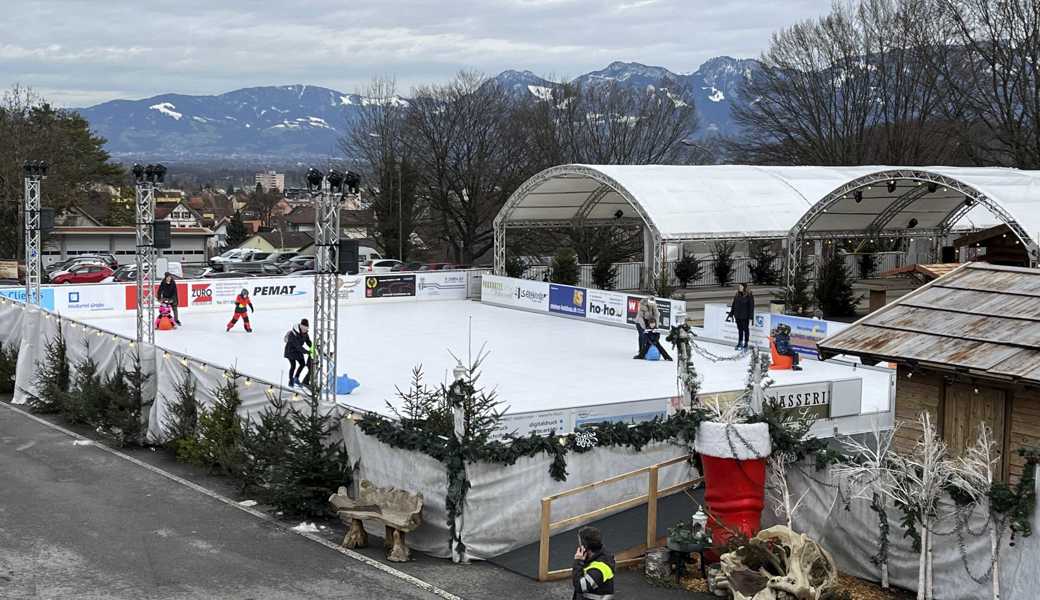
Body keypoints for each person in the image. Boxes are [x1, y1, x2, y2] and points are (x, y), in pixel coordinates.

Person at [572, 526, 615, 600]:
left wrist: (578, 562)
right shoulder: (600, 554)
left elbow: (580, 587)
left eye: (580, 543)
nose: (579, 546)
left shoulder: (598, 569)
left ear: (585, 547)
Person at [283, 318, 312, 388]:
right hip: (290, 350)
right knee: (293, 365)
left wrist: (312, 346)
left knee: (302, 364)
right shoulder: (293, 334)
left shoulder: (305, 333)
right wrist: (307, 352)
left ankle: (296, 378)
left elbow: (308, 341)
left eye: (306, 328)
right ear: (300, 326)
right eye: (303, 328)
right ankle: (290, 381)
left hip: (298, 351)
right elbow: (297, 346)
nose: (305, 329)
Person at [729, 282, 754, 350]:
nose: (739, 287)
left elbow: (751, 306)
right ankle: (740, 342)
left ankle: (746, 343)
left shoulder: (749, 295)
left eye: (741, 286)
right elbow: (734, 304)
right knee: (740, 330)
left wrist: (751, 316)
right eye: (739, 286)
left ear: (744, 288)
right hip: (738, 315)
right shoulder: (737, 294)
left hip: (745, 316)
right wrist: (731, 313)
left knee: (745, 330)